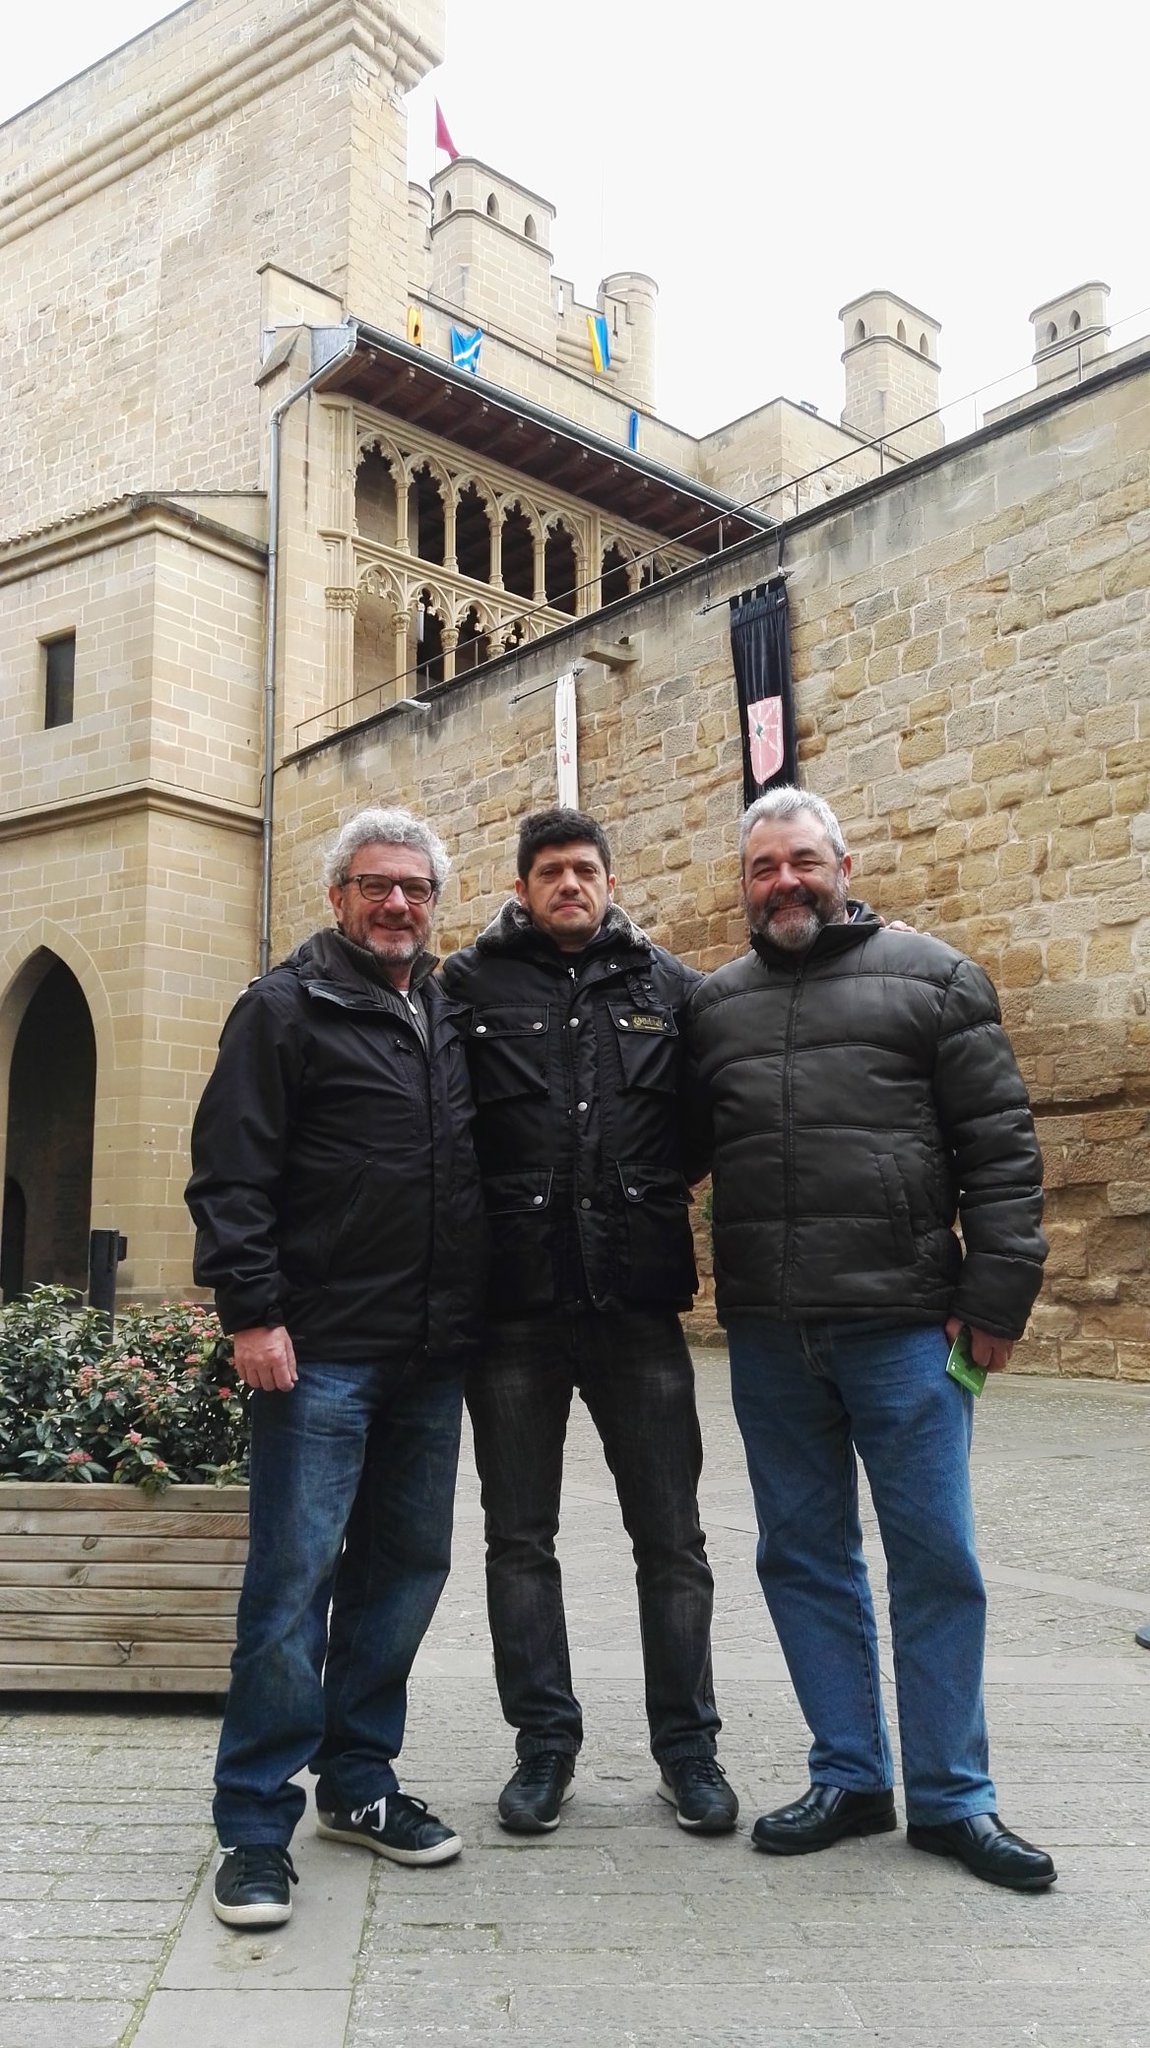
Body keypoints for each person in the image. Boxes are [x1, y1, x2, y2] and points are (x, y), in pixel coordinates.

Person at [686, 785, 1056, 1892]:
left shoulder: (936, 980)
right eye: (763, 866)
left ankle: (953, 1796)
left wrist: (995, 1302)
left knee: (935, 1557)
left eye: (802, 859)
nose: (784, 880)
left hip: (904, 1326)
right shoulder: (716, 1006)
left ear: (842, 863)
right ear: (744, 884)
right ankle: (849, 1772)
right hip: (768, 1330)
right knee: (800, 1555)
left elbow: (1000, 1152)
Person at [186, 806, 485, 1928]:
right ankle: (254, 1823)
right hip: (318, 1354)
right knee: (292, 1584)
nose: (396, 902)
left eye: (414, 886)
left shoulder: (450, 1008)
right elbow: (230, 1173)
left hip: (429, 1353)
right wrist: (252, 1314)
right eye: (374, 884)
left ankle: (357, 1784)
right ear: (336, 895)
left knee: (403, 1573)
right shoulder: (282, 1007)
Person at [440, 808, 738, 1836]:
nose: (570, 883)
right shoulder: (465, 985)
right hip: (512, 1309)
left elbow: (700, 1127)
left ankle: (688, 1751)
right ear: (520, 885)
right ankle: (543, 1747)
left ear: (611, 879)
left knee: (672, 1538)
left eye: (585, 868)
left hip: (635, 1302)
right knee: (518, 1537)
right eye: (550, 870)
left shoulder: (670, 987)